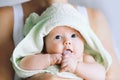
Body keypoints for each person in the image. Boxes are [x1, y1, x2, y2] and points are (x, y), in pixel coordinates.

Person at [0, 0, 119, 80]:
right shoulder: (43, 56)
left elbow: (101, 74)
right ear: (44, 44)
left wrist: (76, 67)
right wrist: (48, 59)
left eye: (74, 36)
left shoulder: (84, 58)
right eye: (58, 37)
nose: (67, 42)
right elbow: (22, 65)